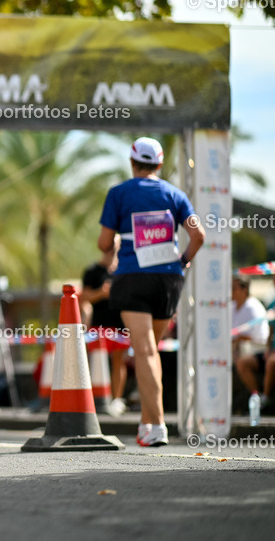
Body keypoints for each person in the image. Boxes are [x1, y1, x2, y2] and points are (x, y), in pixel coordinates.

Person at [98, 137, 204, 447]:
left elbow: (104, 244)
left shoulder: (118, 193)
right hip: (169, 279)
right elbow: (198, 234)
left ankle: (158, 426)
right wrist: (182, 263)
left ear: (132, 162)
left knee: (143, 351)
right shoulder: (176, 194)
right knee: (150, 352)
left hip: (133, 278)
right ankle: (147, 423)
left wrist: (113, 243)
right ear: (159, 164)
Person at [80, 244, 130, 416]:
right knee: (96, 362)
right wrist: (101, 293)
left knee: (119, 361)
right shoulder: (92, 271)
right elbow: (84, 297)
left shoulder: (122, 271)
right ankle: (94, 399)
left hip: (120, 325)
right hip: (99, 326)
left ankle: (116, 400)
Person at [235, 273, 275, 412]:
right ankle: (257, 397)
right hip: (274, 350)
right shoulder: (274, 303)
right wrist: (268, 349)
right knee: (243, 363)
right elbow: (271, 332)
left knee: (273, 362)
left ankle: (266, 399)